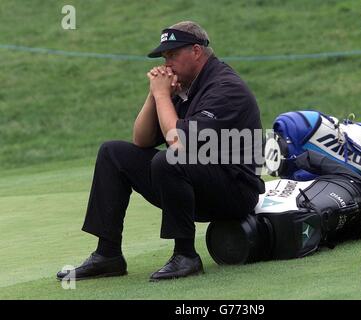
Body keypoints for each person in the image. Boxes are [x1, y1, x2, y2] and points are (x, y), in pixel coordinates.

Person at [56, 21, 265, 282]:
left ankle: (186, 255)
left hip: (235, 193)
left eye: (173, 54)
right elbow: (141, 140)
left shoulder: (226, 87)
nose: (166, 63)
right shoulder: (184, 86)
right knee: (112, 153)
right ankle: (108, 255)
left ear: (197, 51)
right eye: (164, 56)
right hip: (196, 183)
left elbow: (178, 143)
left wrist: (163, 96)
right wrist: (154, 95)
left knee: (169, 159)